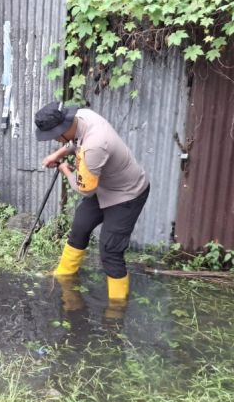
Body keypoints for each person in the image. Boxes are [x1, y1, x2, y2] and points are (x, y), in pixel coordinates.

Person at [35, 101, 150, 301]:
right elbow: (75, 142)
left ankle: (117, 306)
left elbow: (85, 189)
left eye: (55, 137)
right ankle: (64, 275)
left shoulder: (94, 146)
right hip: (105, 187)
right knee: (80, 226)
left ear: (63, 129)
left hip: (127, 193)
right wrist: (58, 154)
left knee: (110, 250)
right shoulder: (82, 117)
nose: (55, 139)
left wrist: (64, 169)